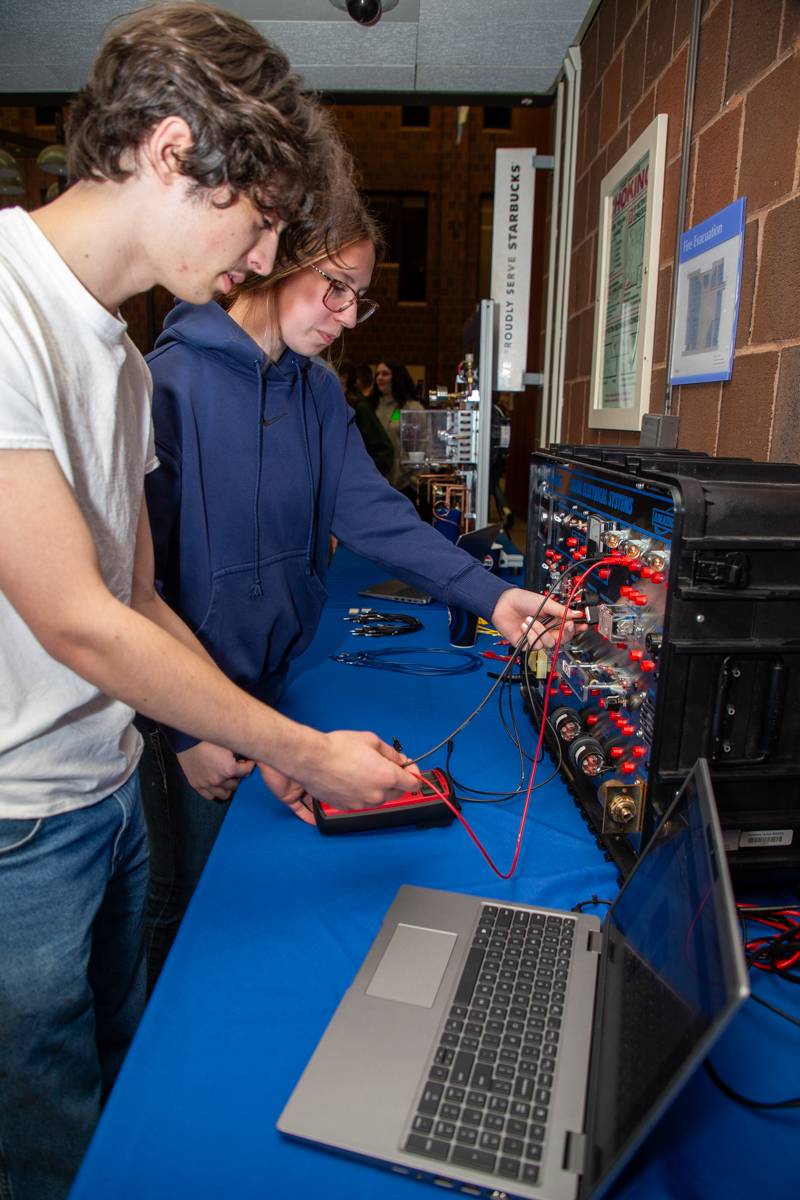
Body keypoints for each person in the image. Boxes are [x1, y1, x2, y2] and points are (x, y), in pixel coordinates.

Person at [0, 6, 422, 1198]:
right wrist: (299, 746)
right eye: (262, 217)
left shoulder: (120, 361)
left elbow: (138, 592)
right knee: (46, 1140)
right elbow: (76, 617)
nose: (260, 254)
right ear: (176, 149)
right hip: (15, 824)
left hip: (104, 792)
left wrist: (242, 733)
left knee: (128, 1089)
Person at [141, 198, 578, 985]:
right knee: (183, 908)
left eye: (359, 297)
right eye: (333, 289)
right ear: (272, 260)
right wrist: (179, 728)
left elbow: (372, 513)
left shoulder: (316, 391)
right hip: (182, 706)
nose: (347, 316)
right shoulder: (166, 386)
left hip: (266, 693)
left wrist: (492, 598)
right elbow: (140, 588)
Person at [368, 359, 425, 500]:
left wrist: (414, 477)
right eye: (378, 374)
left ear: (397, 377)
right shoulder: (371, 408)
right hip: (377, 481)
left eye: (385, 373)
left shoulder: (412, 408)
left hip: (405, 484)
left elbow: (422, 446)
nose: (380, 378)